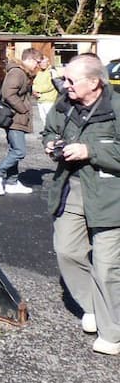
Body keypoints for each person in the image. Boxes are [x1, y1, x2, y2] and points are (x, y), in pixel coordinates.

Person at [42, 53, 120, 354]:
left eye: (72, 80)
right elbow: (49, 130)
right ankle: (93, 305)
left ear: (95, 82)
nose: (65, 84)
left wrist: (90, 150)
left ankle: (112, 332)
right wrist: (50, 143)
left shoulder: (116, 107)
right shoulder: (64, 103)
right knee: (67, 250)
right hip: (71, 189)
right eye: (65, 78)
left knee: (108, 265)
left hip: (111, 196)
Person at [0, 47, 42, 195]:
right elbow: (8, 93)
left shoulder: (22, 73)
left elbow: (15, 92)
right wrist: (23, 108)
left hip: (16, 117)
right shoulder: (18, 72)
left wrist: (30, 94)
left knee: (13, 150)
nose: (38, 65)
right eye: (37, 62)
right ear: (29, 59)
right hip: (15, 117)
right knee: (19, 151)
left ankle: (12, 182)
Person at [33, 54, 62, 127]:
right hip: (40, 100)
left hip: (49, 100)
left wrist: (37, 89)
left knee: (51, 120)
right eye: (40, 62)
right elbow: (34, 83)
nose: (42, 64)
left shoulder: (52, 71)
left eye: (44, 62)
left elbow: (50, 85)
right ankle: (46, 133)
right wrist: (34, 91)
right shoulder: (39, 73)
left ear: (48, 62)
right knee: (43, 119)